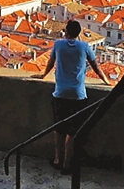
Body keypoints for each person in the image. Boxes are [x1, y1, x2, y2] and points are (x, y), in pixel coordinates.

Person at [32, 20, 111, 175]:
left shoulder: (58, 45)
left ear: (66, 32)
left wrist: (43, 75)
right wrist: (107, 81)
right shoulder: (84, 46)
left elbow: (50, 63)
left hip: (60, 93)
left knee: (58, 129)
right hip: (78, 95)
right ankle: (67, 164)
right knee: (72, 132)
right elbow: (95, 67)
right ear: (79, 33)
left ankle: (57, 159)